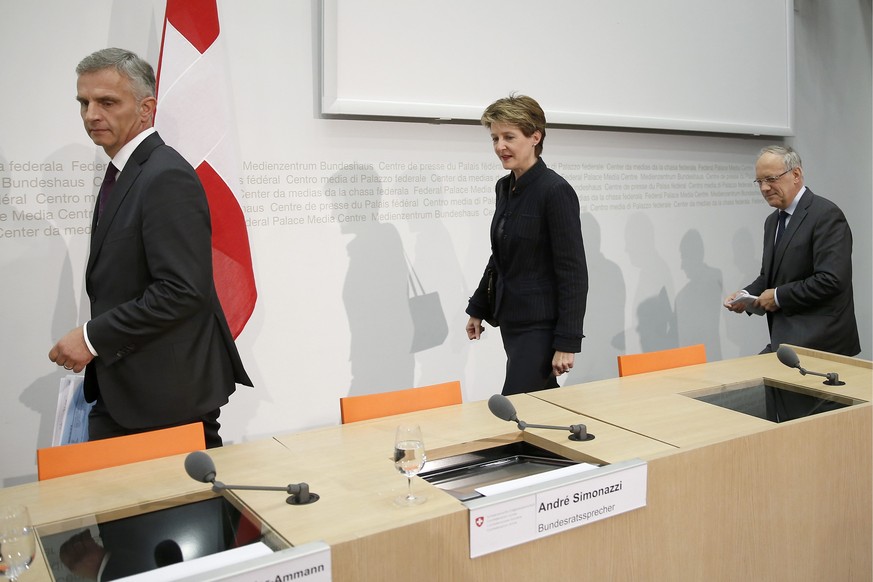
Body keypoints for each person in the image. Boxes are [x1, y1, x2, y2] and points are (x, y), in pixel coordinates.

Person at [48, 48, 252, 447]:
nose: (91, 115)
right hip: (132, 390)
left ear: (146, 108)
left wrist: (91, 338)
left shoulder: (164, 175)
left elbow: (181, 290)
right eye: (84, 102)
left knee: (176, 510)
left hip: (167, 400)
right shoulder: (125, 172)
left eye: (107, 102)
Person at [466, 94, 588, 395]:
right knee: (540, 404)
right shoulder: (505, 187)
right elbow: (501, 256)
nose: (499, 147)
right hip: (512, 319)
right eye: (494, 138)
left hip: (541, 326)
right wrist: (478, 308)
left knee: (516, 406)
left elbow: (573, 273)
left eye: (509, 137)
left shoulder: (555, 191)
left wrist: (567, 343)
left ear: (535, 137)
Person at [723, 145, 860, 356]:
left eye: (771, 179)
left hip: (823, 346)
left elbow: (831, 280)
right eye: (759, 181)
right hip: (787, 342)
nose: (764, 188)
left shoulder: (826, 215)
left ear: (796, 174)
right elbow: (769, 277)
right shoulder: (772, 222)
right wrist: (746, 296)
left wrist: (778, 296)